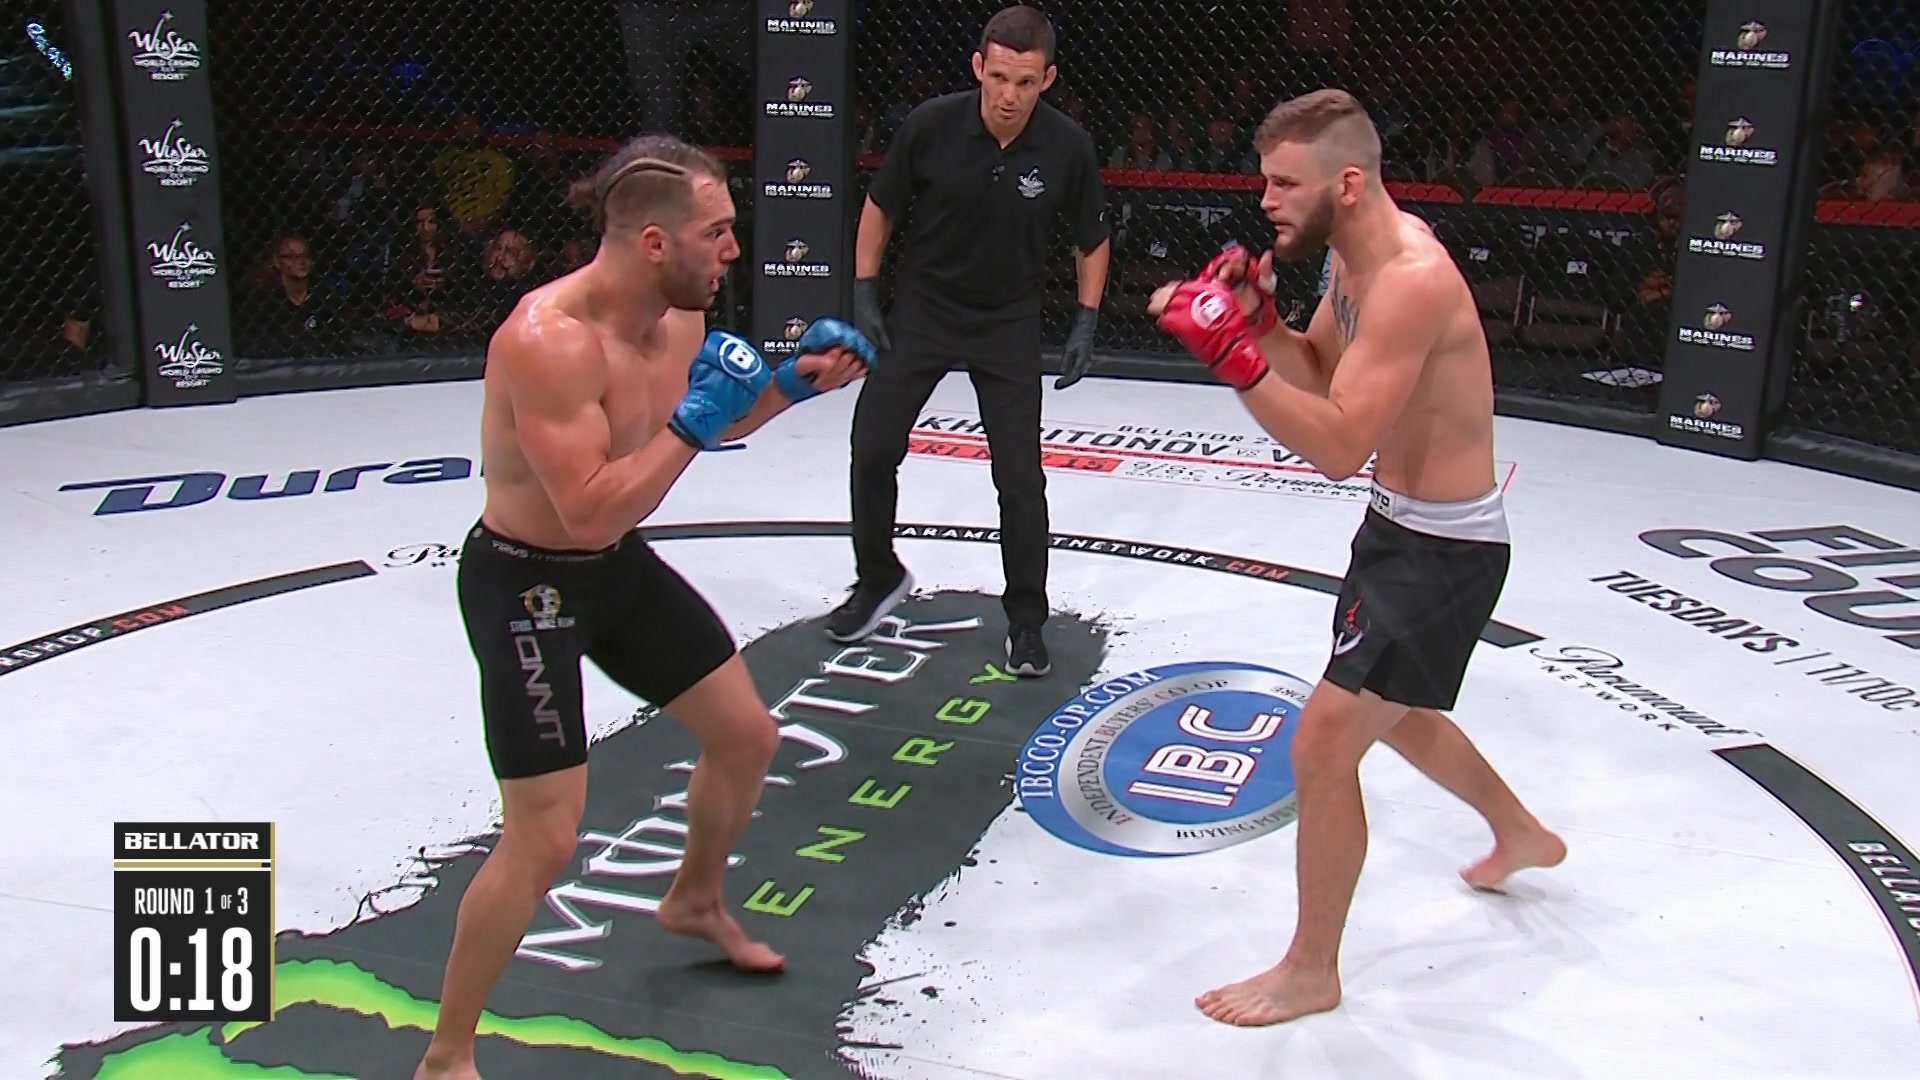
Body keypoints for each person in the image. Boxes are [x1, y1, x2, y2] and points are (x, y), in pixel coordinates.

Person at [415, 133, 877, 1080]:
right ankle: (447, 1055)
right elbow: (588, 509)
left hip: (613, 565)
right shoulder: (546, 340)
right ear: (656, 242)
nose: (735, 250)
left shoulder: (681, 319)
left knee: (746, 736)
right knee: (544, 837)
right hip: (528, 580)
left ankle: (693, 899)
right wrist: (694, 425)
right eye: (719, 233)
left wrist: (790, 389)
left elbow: (704, 417)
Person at [1146, 89, 1568, 1028]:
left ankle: (1312, 971)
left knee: (1325, 742)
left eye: (1283, 183)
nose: (1266, 201)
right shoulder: (1350, 257)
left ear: (1345, 182)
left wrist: (1232, 359)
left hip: (1445, 551)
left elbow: (1339, 444)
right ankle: (1520, 832)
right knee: (1402, 716)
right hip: (1396, 531)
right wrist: (1260, 324)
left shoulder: (1412, 278)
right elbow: (1322, 372)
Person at [833, 4, 1111, 677]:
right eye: (999, 78)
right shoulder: (931, 125)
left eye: (1026, 82)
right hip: (925, 307)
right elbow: (881, 205)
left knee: (1019, 476)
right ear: (979, 67)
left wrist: (1086, 318)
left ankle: (1027, 620)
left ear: (1047, 80)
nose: (1009, 95)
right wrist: (864, 290)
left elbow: (1091, 237)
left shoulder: (1067, 145)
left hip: (1007, 318)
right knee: (873, 446)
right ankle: (877, 576)